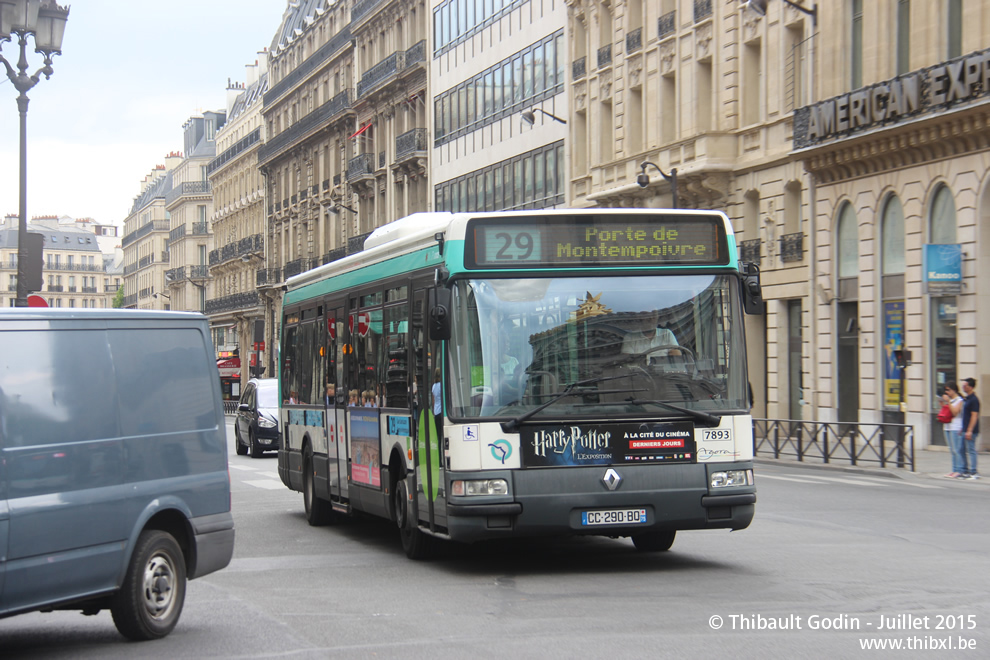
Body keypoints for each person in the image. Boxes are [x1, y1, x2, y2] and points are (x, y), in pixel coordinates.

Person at [941, 382, 965, 479]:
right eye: (946, 390)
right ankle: (954, 469)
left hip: (956, 427)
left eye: (948, 390)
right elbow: (946, 412)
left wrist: (949, 402)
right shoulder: (950, 400)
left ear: (954, 390)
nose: (947, 392)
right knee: (951, 450)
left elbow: (955, 413)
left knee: (956, 450)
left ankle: (959, 470)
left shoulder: (959, 400)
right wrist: (943, 403)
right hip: (947, 426)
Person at [961, 377, 980, 480]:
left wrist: (969, 430)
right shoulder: (967, 398)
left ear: (970, 387)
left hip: (971, 430)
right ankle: (965, 470)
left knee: (971, 450)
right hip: (965, 429)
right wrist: (962, 428)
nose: (963, 387)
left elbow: (974, 416)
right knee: (961, 449)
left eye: (965, 386)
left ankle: (974, 471)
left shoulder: (974, 400)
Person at [431, 368, 443, 439]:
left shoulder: (433, 386)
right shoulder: (441, 385)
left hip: (436, 412)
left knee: (438, 435)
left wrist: (434, 410)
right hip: (441, 411)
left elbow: (433, 401)